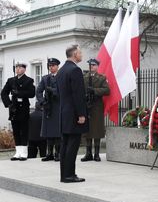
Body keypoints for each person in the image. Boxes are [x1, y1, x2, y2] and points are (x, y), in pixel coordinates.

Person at [56, 45, 88, 183]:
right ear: (75, 54)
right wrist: (81, 114)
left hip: (64, 113)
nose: (82, 55)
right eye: (80, 53)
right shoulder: (75, 70)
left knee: (65, 145)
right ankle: (69, 175)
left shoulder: (61, 70)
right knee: (72, 145)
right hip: (74, 113)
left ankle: (65, 174)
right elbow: (78, 94)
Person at [1, 62, 35, 161]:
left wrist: (19, 93)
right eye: (16, 67)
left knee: (24, 130)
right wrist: (8, 104)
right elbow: (3, 93)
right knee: (15, 130)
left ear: (24, 69)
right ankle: (18, 152)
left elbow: (32, 93)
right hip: (14, 108)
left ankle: (24, 152)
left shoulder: (29, 80)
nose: (18, 69)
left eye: (20, 68)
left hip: (23, 108)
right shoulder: (11, 80)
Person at [81, 59, 110, 162]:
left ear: (97, 66)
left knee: (97, 129)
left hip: (97, 106)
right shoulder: (84, 77)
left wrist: (94, 91)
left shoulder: (102, 78)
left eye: (93, 65)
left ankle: (96, 154)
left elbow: (107, 90)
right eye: (90, 65)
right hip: (87, 105)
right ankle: (88, 153)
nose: (91, 67)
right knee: (87, 130)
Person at [36, 58, 61, 162]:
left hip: (58, 106)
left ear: (57, 66)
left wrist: (53, 91)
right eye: (50, 66)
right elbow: (38, 91)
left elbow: (63, 91)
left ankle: (58, 153)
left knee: (57, 132)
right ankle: (49, 153)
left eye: (53, 65)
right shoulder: (45, 78)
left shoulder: (61, 77)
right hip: (48, 106)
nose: (51, 67)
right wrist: (42, 102)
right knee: (48, 131)